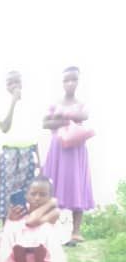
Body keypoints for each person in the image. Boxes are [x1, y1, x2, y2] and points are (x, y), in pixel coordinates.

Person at [43, 66, 94, 245]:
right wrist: (69, 118)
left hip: (76, 149)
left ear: (78, 81)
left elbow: (84, 115)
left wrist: (60, 117)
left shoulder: (82, 103)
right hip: (58, 149)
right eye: (66, 80)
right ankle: (50, 229)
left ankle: (76, 231)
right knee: (52, 186)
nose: (70, 83)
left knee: (77, 185)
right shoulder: (55, 102)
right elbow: (45, 123)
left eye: (74, 79)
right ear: (62, 82)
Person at [0, 176, 68, 262]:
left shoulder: (54, 212)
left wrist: (50, 204)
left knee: (39, 247)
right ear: (26, 196)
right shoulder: (21, 210)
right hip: (23, 258)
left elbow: (31, 222)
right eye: (33, 194)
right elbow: (10, 230)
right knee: (17, 246)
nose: (37, 198)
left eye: (43, 195)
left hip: (40, 260)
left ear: (50, 197)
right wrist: (10, 217)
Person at [0, 72, 42, 222]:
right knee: (8, 193)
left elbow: (36, 135)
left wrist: (40, 160)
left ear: (22, 83)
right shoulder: (0, 103)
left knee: (28, 193)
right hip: (9, 153)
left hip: (27, 152)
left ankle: (25, 229)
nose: (13, 86)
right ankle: (6, 229)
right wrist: (13, 101)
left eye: (16, 82)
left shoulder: (30, 105)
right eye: (10, 83)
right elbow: (5, 127)